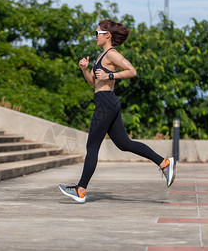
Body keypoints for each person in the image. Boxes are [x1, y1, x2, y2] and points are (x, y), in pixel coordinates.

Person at [59, 19, 176, 203]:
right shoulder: (100, 56)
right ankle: (164, 163)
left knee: (92, 147)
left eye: (97, 33)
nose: (95, 36)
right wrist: (84, 69)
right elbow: (93, 82)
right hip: (105, 101)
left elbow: (132, 71)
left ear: (107, 35)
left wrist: (109, 75)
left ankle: (80, 190)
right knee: (124, 143)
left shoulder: (112, 54)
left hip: (106, 103)